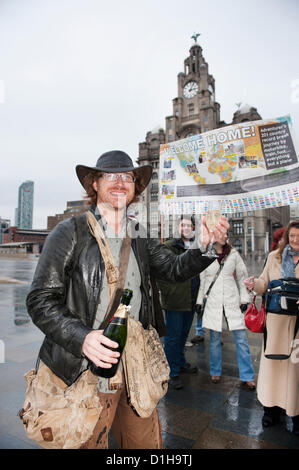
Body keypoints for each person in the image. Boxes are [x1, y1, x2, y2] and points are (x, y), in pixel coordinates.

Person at [26, 150, 229, 449]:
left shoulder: (140, 233)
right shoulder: (70, 232)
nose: (120, 182)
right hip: (84, 369)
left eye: (128, 177)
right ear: (94, 184)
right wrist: (82, 338)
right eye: (111, 176)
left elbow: (173, 269)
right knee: (87, 441)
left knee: (143, 444)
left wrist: (206, 246)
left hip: (136, 369)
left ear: (135, 187)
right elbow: (40, 299)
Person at [244, 219, 299, 435]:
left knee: (294, 372)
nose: (295, 240)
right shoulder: (274, 257)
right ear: (287, 237)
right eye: (292, 236)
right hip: (275, 324)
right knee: (274, 369)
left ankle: (294, 414)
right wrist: (253, 284)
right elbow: (263, 284)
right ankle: (270, 411)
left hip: (296, 326)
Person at [196, 232, 255, 389]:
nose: (223, 237)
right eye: (220, 234)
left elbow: (243, 276)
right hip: (213, 299)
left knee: (241, 337)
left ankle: (247, 375)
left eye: (225, 234)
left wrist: (244, 298)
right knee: (215, 338)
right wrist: (199, 301)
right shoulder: (206, 255)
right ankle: (215, 371)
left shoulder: (234, 254)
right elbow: (202, 280)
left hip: (231, 298)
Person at [156, 215, 200, 390]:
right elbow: (160, 272)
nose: (186, 228)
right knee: (172, 338)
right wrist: (168, 292)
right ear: (178, 227)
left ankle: (180, 362)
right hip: (175, 300)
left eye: (190, 225)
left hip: (190, 298)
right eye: (183, 225)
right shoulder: (169, 246)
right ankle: (171, 372)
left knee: (183, 334)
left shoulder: (197, 246)